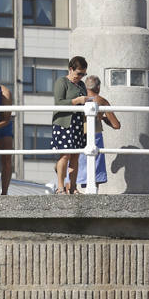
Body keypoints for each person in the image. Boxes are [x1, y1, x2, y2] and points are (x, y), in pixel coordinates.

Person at [50, 56, 89, 195]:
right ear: (71, 69)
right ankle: (60, 188)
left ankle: (72, 187)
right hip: (64, 123)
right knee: (65, 155)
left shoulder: (82, 85)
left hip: (78, 124)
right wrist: (77, 100)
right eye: (79, 73)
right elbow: (59, 103)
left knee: (75, 157)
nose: (80, 77)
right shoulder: (62, 82)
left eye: (83, 74)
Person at [75, 75, 120, 189]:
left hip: (77, 135)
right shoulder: (101, 101)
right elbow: (116, 125)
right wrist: (104, 119)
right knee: (95, 169)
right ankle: (93, 194)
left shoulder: (77, 98)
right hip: (95, 135)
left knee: (74, 164)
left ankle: (70, 190)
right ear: (98, 87)